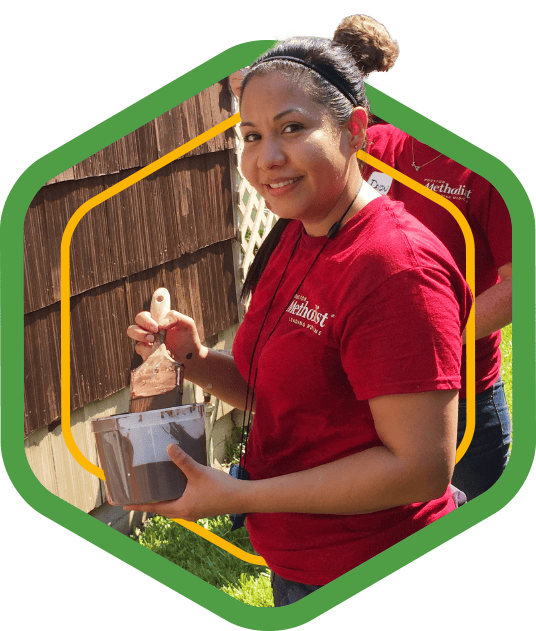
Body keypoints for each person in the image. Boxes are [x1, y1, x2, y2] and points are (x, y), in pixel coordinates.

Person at [125, 36, 472, 605]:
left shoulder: (395, 267)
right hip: (301, 561)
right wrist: (194, 357)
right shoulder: (300, 232)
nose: (267, 158)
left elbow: (419, 469)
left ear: (356, 130)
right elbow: (277, 398)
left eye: (291, 128)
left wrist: (237, 496)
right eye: (252, 136)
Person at [332, 16, 512, 500]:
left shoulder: (487, 171)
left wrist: (428, 335)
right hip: (375, 390)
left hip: (464, 393)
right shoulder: (378, 148)